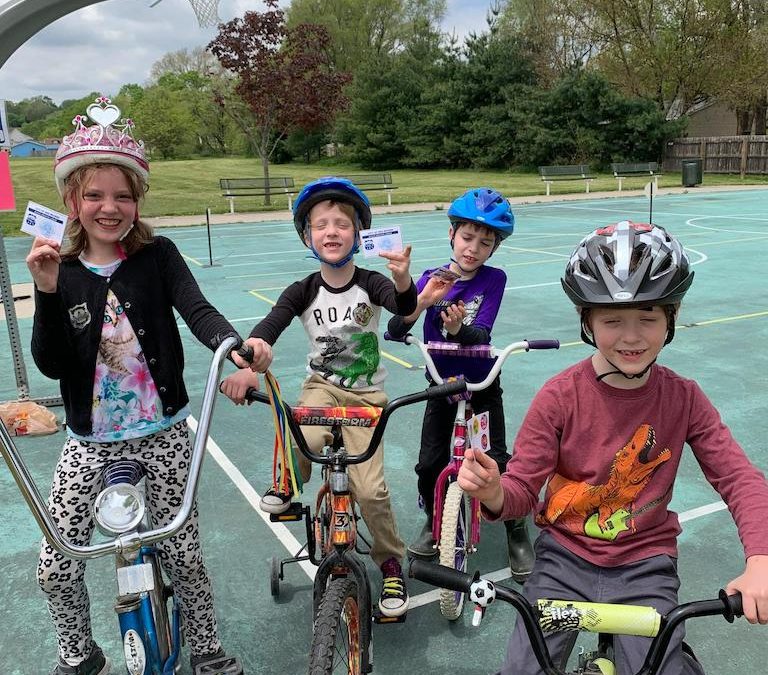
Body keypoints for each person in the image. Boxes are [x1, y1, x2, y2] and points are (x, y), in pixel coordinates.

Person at [457, 220, 768, 674]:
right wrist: (493, 493)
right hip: (563, 559)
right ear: (586, 320)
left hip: (645, 565)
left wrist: (761, 560)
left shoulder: (683, 397)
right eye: (612, 320)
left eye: (648, 319)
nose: (631, 336)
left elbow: (739, 478)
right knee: (523, 668)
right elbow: (522, 489)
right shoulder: (559, 396)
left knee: (662, 668)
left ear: (671, 320)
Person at [26, 97, 243, 675]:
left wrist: (231, 342)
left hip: (162, 434)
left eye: (122, 195)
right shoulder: (61, 270)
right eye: (94, 195)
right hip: (91, 443)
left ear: (137, 201)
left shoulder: (156, 254)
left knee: (185, 554)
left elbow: (195, 309)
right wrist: (47, 292)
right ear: (72, 201)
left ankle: (206, 648)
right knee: (56, 561)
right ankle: (79, 650)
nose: (109, 207)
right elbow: (49, 363)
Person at [220, 176, 416, 618]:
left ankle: (389, 562)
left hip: (366, 400)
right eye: (321, 224)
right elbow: (270, 325)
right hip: (322, 388)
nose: (332, 231)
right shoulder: (303, 289)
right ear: (308, 236)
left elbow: (403, 308)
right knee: (304, 435)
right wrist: (251, 357)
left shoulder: (370, 282)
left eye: (342, 223)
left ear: (357, 234)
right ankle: (290, 481)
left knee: (371, 490)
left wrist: (402, 280)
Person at [386, 187, 534, 583]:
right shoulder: (430, 278)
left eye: (485, 243)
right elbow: (395, 328)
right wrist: (421, 302)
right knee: (430, 462)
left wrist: (458, 329)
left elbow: (482, 334)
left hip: (481, 380)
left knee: (495, 458)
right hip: (440, 382)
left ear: (493, 249)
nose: (473, 249)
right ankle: (435, 518)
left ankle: (515, 526)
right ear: (452, 235)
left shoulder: (493, 280)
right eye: (467, 238)